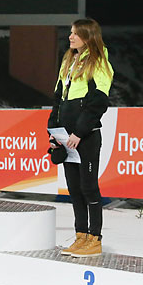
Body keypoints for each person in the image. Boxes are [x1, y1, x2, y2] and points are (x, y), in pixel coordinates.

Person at [48, 20, 114, 259]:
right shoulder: (68, 60)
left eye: (76, 34)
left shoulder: (99, 61)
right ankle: (80, 236)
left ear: (88, 36)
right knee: (74, 189)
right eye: (70, 33)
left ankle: (94, 240)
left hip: (85, 137)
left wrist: (79, 132)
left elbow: (98, 102)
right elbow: (58, 98)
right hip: (66, 136)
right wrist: (53, 133)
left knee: (88, 188)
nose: (70, 37)